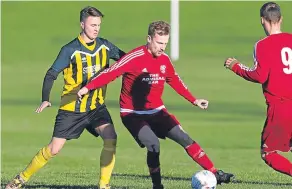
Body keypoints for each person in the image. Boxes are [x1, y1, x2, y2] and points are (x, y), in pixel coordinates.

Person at [78, 20, 234, 189]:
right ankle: (157, 185)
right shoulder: (134, 57)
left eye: (165, 43)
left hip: (157, 111)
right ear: (149, 39)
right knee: (153, 144)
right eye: (159, 43)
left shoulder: (164, 60)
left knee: (184, 137)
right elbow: (110, 73)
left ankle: (215, 172)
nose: (162, 47)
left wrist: (194, 100)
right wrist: (87, 87)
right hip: (132, 114)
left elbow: (174, 80)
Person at [6, 6, 126, 189]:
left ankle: (104, 185)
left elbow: (126, 60)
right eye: (92, 24)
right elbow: (51, 74)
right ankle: (21, 179)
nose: (96, 29)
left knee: (110, 137)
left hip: (96, 107)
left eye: (99, 25)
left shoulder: (105, 45)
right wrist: (45, 98)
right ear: (82, 24)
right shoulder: (69, 50)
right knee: (54, 149)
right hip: (72, 109)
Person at [224, 2, 292, 177]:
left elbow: (260, 75)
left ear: (262, 20)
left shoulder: (262, 45)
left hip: (280, 106)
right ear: (281, 19)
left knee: (268, 153)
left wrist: (236, 67)